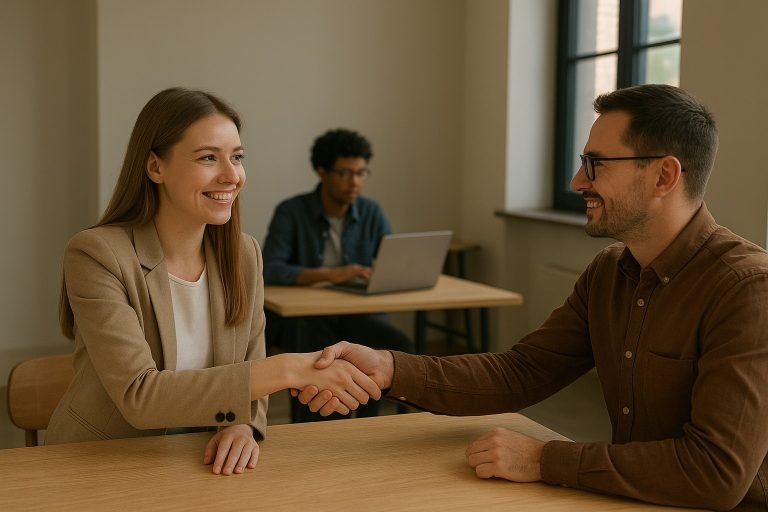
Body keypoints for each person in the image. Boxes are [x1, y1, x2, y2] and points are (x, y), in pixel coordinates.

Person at [300, 85, 768, 510]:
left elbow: (715, 474)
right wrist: (389, 368)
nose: (577, 183)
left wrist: (546, 460)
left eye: (595, 164)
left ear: (664, 176)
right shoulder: (609, 272)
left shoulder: (748, 290)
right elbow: (521, 372)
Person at [47, 87, 381, 475]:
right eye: (208, 157)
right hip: (103, 464)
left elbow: (247, 369)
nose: (231, 175)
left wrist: (241, 424)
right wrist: (288, 369)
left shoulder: (243, 254)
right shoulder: (96, 254)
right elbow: (140, 395)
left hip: (199, 462)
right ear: (155, 167)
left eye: (237, 157)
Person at [262, 128, 412, 418]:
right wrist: (332, 274)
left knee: (398, 345)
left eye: (361, 172)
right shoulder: (291, 211)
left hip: (358, 311)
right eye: (344, 173)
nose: (355, 182)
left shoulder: (372, 211)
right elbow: (271, 268)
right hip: (305, 316)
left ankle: (371, 424)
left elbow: (390, 263)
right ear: (322, 171)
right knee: (316, 351)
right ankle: (316, 428)